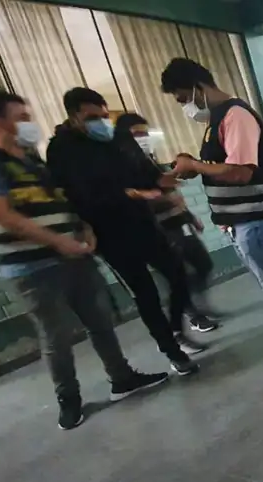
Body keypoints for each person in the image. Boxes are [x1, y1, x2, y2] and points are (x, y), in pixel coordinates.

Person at [0, 89, 169, 430]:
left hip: (75, 257)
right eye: (22, 118)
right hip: (33, 269)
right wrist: (57, 241)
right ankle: (68, 399)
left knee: (101, 323)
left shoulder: (32, 160)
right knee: (56, 336)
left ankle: (121, 378)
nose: (30, 123)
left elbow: (62, 202)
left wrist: (83, 229)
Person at [46, 87, 201, 376]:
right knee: (145, 293)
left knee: (179, 273)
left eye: (104, 115)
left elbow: (145, 171)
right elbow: (75, 195)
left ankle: (175, 329)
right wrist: (129, 195)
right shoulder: (61, 150)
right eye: (93, 117)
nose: (101, 122)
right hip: (109, 234)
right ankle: (172, 350)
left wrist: (169, 177)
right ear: (75, 116)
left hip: (143, 224)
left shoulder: (115, 138)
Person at [160, 58, 263, 307]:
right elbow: (221, 166)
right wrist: (193, 164)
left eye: (184, 98)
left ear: (198, 86)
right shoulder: (216, 120)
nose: (186, 107)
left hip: (255, 222)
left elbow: (241, 173)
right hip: (241, 224)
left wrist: (196, 166)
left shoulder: (236, 115)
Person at [114, 113, 219, 333]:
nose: (143, 137)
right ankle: (192, 316)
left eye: (145, 132)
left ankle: (198, 304)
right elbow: (132, 195)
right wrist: (152, 195)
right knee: (177, 275)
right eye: (137, 134)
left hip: (177, 222)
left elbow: (169, 190)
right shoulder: (123, 165)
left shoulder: (148, 158)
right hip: (159, 228)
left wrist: (188, 215)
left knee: (203, 264)